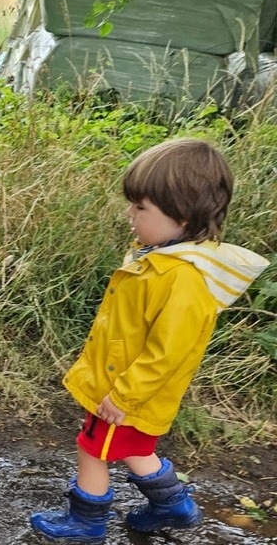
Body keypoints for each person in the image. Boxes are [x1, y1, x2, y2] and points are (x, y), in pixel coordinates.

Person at [29, 138, 269, 543]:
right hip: (125, 388)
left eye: (141, 208)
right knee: (134, 449)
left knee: (92, 448)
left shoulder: (183, 279)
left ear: (184, 219)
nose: (130, 214)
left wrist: (123, 396)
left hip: (125, 395)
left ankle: (86, 522)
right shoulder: (159, 259)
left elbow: (167, 352)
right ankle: (172, 506)